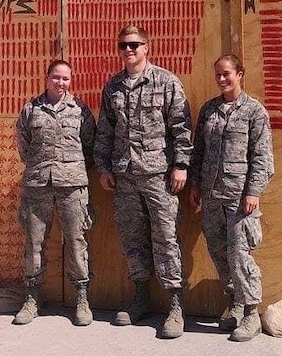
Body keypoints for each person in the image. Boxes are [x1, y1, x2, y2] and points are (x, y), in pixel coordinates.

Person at [93, 25, 192, 339]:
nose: (128, 50)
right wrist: (104, 168)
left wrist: (181, 165)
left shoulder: (166, 82)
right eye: (123, 45)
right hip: (125, 176)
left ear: (147, 47)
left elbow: (181, 127)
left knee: (166, 236)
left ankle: (175, 305)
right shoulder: (113, 86)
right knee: (132, 238)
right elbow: (105, 131)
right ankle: (141, 298)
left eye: (134, 44)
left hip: (158, 174)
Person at [189, 54, 274, 342]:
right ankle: (235, 302)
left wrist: (254, 191)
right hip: (212, 195)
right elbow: (199, 152)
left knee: (239, 255)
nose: (222, 79)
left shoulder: (254, 111)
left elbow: (262, 156)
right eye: (218, 74)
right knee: (219, 252)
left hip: (239, 199)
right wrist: (196, 185)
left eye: (227, 73)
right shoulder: (209, 110)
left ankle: (251, 313)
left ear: (240, 74)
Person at [13, 59, 96, 326]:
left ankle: (82, 299)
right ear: (47, 78)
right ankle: (31, 299)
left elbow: (90, 145)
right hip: (38, 186)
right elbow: (23, 146)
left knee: (76, 241)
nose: (61, 83)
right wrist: (41, 166)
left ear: (71, 81)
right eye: (56, 77)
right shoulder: (31, 110)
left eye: (65, 78)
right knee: (34, 243)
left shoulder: (80, 110)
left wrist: (71, 170)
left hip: (72, 186)